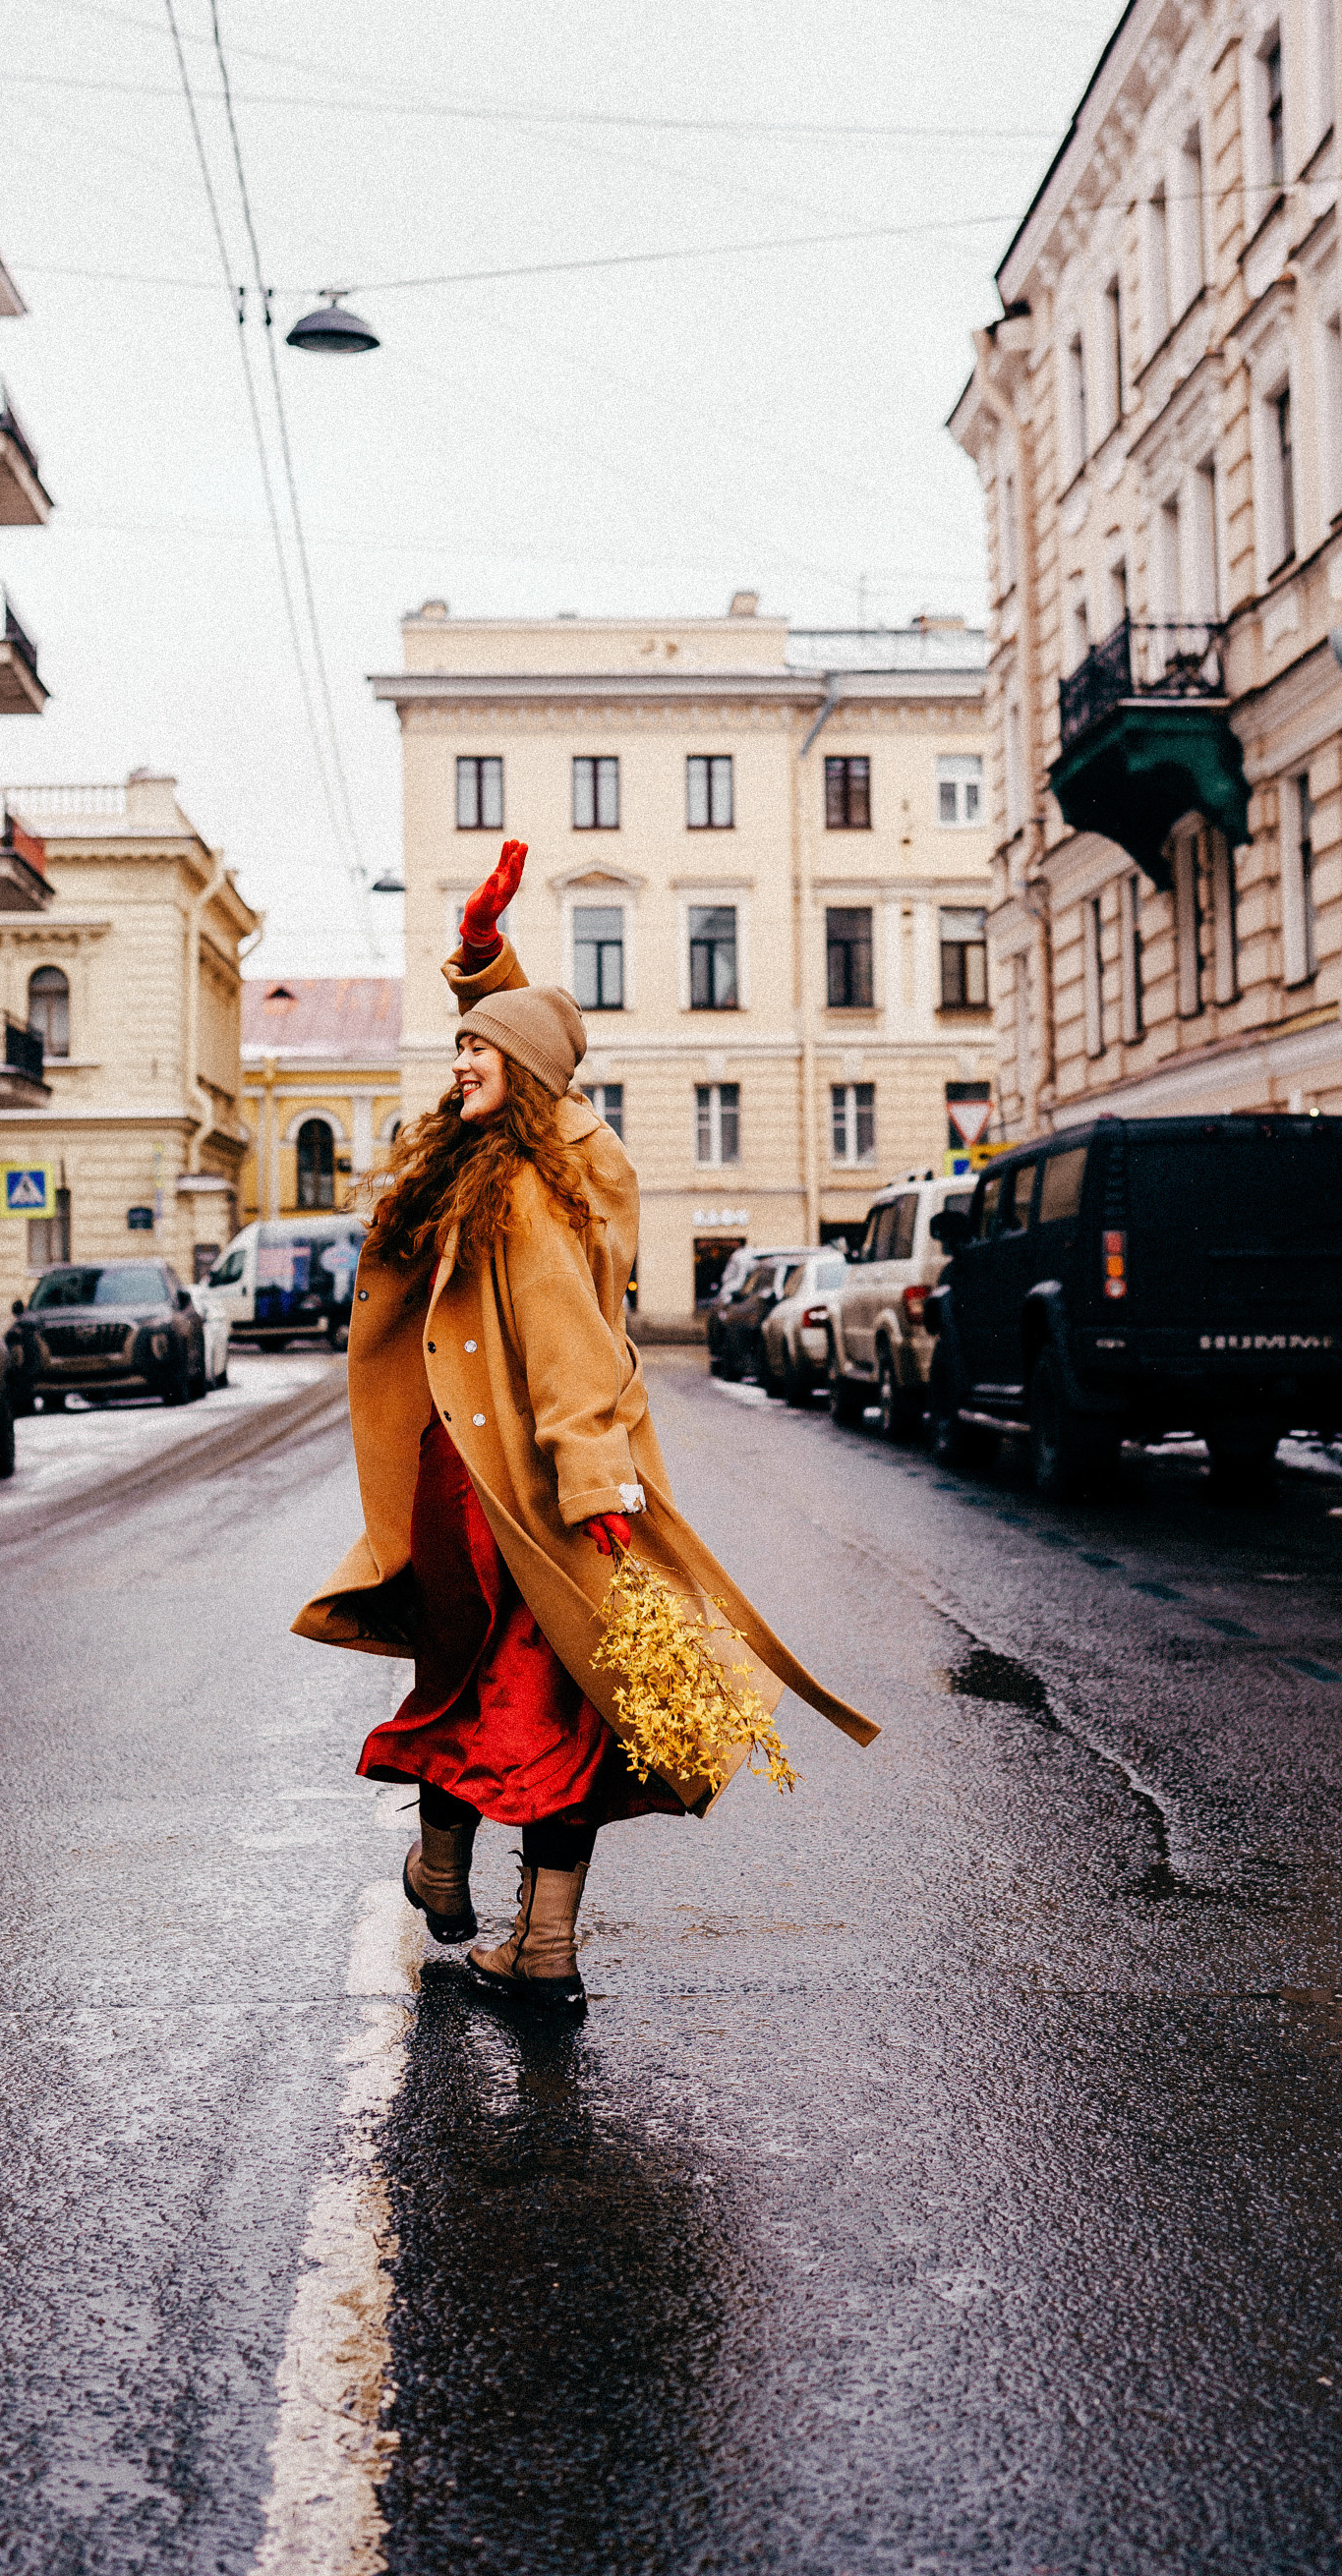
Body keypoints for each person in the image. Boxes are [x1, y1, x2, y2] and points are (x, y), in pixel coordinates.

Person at [292, 839, 877, 2019]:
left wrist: (592, 1478)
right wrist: (481, 961)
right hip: (504, 1488)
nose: (459, 1062)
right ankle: (532, 1936)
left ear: (528, 1078)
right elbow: (532, 1046)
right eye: (457, 1046)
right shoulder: (524, 1162)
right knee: (552, 1702)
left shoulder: (530, 1181)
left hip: (512, 1487)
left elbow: (569, 1349)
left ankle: (479, 1894)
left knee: (492, 1693)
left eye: (477, 1051)